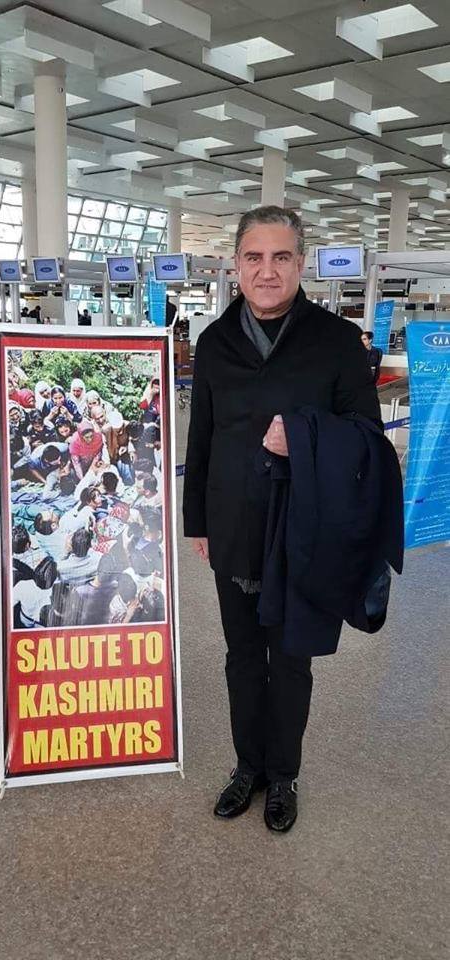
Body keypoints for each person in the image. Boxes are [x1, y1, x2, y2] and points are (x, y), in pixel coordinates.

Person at [183, 205, 381, 833]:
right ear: (236, 264)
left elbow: (369, 438)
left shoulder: (336, 343)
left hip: (301, 530)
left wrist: (305, 437)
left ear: (301, 264)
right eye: (253, 257)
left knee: (290, 658)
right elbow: (202, 438)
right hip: (234, 524)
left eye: (281, 257)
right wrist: (198, 522)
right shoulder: (215, 341)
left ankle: (284, 776)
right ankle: (248, 768)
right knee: (242, 655)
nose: (266, 271)